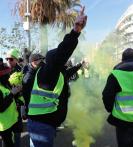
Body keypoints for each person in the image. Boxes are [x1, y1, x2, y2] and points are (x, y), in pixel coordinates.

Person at [26, 7, 87, 147]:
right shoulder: (48, 72)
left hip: (42, 123)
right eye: (62, 60)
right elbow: (62, 52)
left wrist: (79, 65)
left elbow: (68, 72)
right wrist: (76, 30)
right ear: (54, 61)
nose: (65, 61)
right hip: (41, 125)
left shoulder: (55, 73)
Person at [0, 65, 22, 147]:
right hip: (4, 126)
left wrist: (17, 92)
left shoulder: (6, 84)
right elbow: (1, 107)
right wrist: (12, 93)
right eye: (7, 74)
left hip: (12, 120)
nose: (9, 76)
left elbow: (12, 97)